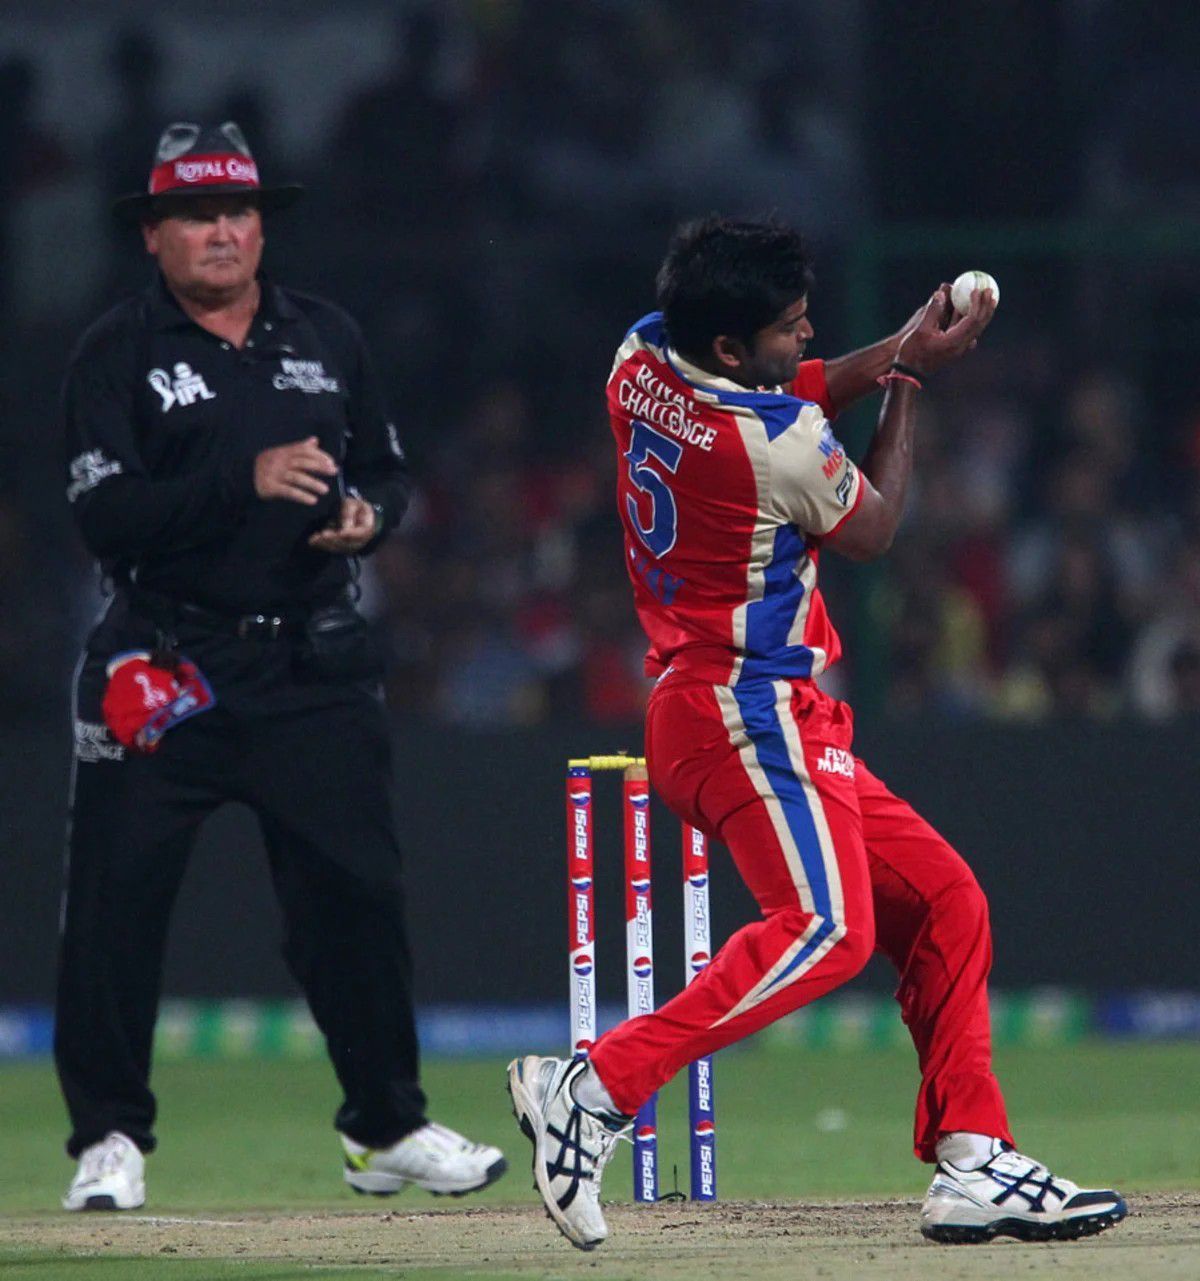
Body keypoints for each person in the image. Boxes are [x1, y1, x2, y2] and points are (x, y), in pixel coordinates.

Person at [507, 216, 1125, 1248]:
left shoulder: (640, 355)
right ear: (732, 350)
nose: (809, 338)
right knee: (828, 931)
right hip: (738, 705)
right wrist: (909, 390)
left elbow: (789, 385)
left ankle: (973, 1158)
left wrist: (897, 347)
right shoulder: (770, 444)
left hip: (744, 704)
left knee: (943, 901)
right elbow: (875, 526)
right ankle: (596, 1089)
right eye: (792, 328)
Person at [57, 121, 506, 1211]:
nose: (222, 230)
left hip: (308, 663)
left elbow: (389, 472)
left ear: (264, 226)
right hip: (160, 666)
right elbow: (102, 509)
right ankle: (109, 1139)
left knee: (358, 895)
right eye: (196, 214)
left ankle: (387, 1128)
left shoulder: (327, 336)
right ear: (154, 235)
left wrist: (368, 517)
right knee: (117, 907)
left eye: (239, 211)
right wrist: (243, 480)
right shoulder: (117, 349)